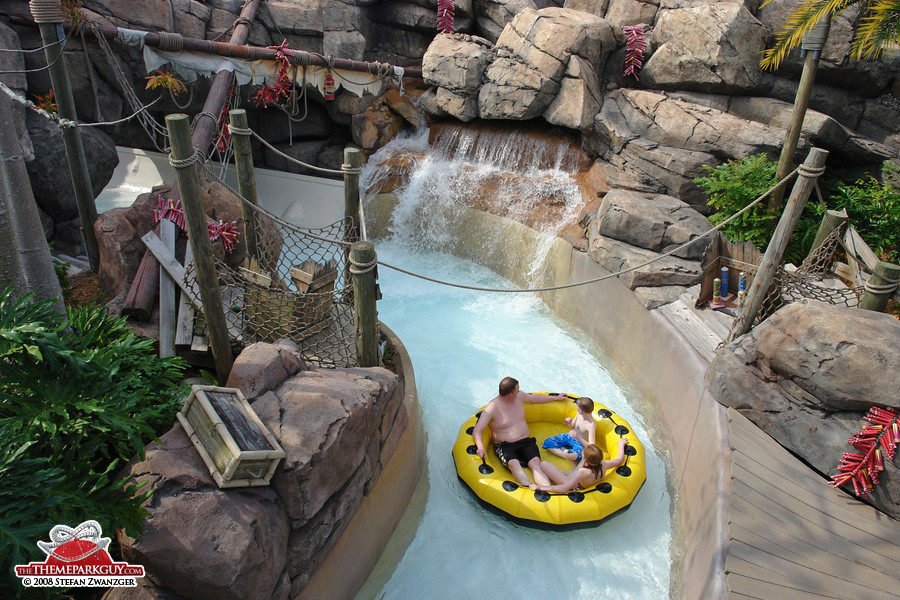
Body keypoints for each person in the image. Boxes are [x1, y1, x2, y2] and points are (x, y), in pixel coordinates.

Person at [472, 377, 567, 487]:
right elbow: (477, 430)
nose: (519, 391)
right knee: (513, 464)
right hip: (505, 445)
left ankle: (547, 490)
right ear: (510, 395)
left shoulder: (519, 396)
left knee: (535, 463)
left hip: (526, 441)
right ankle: (528, 488)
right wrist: (480, 447)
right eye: (517, 390)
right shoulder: (492, 408)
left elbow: (533, 398)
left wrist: (555, 398)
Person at [529, 438, 629, 493]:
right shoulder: (604, 464)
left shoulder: (583, 472)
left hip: (575, 487)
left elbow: (564, 488)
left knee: (544, 464)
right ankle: (570, 469)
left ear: (585, 459)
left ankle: (568, 465)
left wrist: (539, 488)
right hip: (584, 480)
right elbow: (619, 460)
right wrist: (621, 445)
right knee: (571, 471)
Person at [542, 396, 596, 465]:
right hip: (569, 436)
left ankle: (564, 450)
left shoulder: (591, 424)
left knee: (576, 456)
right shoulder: (579, 414)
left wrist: (578, 437)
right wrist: (569, 422)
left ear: (581, 411)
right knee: (548, 442)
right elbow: (572, 425)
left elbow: (592, 446)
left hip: (580, 443)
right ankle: (565, 454)